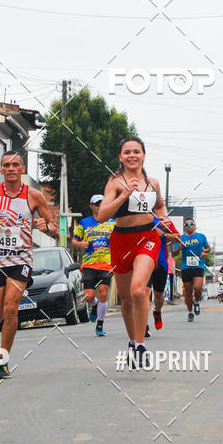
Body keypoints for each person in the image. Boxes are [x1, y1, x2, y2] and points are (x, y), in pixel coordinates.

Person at [0, 151, 58, 379]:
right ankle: (1, 346)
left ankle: (3, 361)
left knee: (11, 307)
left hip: (21, 260)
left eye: (15, 164)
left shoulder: (34, 196)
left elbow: (53, 228)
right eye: (6, 165)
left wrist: (44, 226)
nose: (10, 168)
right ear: (1, 169)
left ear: (22, 169)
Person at [98, 137, 167, 368]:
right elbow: (102, 215)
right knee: (127, 299)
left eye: (136, 151)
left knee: (139, 289)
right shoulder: (114, 183)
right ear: (120, 157)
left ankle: (140, 345)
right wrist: (124, 195)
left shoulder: (153, 183)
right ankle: (131, 341)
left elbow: (159, 206)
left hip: (147, 237)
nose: (132, 155)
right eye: (127, 152)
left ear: (143, 155)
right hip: (121, 240)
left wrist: (164, 220)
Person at [72, 195, 115, 336]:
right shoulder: (84, 223)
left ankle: (100, 324)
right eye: (97, 204)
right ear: (91, 206)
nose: (100, 206)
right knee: (88, 296)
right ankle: (95, 305)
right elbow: (74, 240)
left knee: (103, 292)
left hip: (106, 264)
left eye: (102, 204)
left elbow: (120, 240)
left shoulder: (112, 223)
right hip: (89, 264)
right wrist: (80, 244)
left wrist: (113, 240)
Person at [171, 218, 210, 322]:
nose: (189, 225)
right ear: (184, 227)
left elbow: (207, 248)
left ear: (194, 225)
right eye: (186, 224)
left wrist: (204, 252)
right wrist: (178, 247)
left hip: (198, 265)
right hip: (186, 267)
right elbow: (174, 253)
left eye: (191, 224)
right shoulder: (181, 238)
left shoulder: (201, 237)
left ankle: (196, 302)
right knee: (188, 292)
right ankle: (190, 312)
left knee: (197, 287)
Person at [146, 216, 180, 332]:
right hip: (144, 261)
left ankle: (157, 312)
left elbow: (178, 238)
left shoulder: (163, 220)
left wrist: (164, 235)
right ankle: (143, 324)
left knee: (159, 296)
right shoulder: (138, 218)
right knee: (145, 292)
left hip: (161, 263)